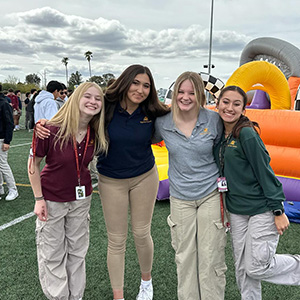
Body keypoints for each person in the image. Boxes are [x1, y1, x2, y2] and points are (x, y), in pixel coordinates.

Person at [215, 85, 300, 300]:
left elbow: (265, 172)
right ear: (217, 104)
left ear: (244, 109)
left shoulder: (246, 134)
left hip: (261, 208)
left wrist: (278, 211)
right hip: (236, 210)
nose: (230, 108)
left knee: (257, 266)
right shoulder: (219, 133)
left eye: (237, 104)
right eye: (226, 102)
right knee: (242, 267)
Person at [28, 82, 108, 300]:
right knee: (53, 254)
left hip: (81, 200)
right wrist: (38, 199)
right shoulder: (50, 128)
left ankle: (76, 296)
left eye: (98, 98)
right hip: (52, 199)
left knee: (77, 252)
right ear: (76, 98)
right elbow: (33, 164)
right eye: (88, 96)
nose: (93, 102)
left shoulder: (96, 131)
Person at [96, 64, 169, 300]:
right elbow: (75, 113)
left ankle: (146, 283)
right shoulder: (105, 106)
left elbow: (185, 114)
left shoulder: (153, 111)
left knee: (141, 232)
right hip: (110, 180)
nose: (140, 89)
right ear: (125, 82)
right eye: (136, 83)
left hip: (144, 177)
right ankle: (119, 295)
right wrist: (46, 123)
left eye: (146, 85)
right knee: (116, 240)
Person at [153, 71, 227, 300]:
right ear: (174, 94)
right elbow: (136, 136)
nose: (185, 97)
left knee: (210, 255)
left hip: (210, 195)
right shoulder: (162, 122)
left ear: (201, 95)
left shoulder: (213, 120)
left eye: (191, 92)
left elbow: (234, 140)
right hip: (180, 197)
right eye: (180, 92)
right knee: (184, 257)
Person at [0, 84, 19, 201]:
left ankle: (13, 189)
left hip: (1, 138)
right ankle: (0, 188)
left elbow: (9, 123)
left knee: (3, 164)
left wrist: (7, 141)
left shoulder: (3, 104)